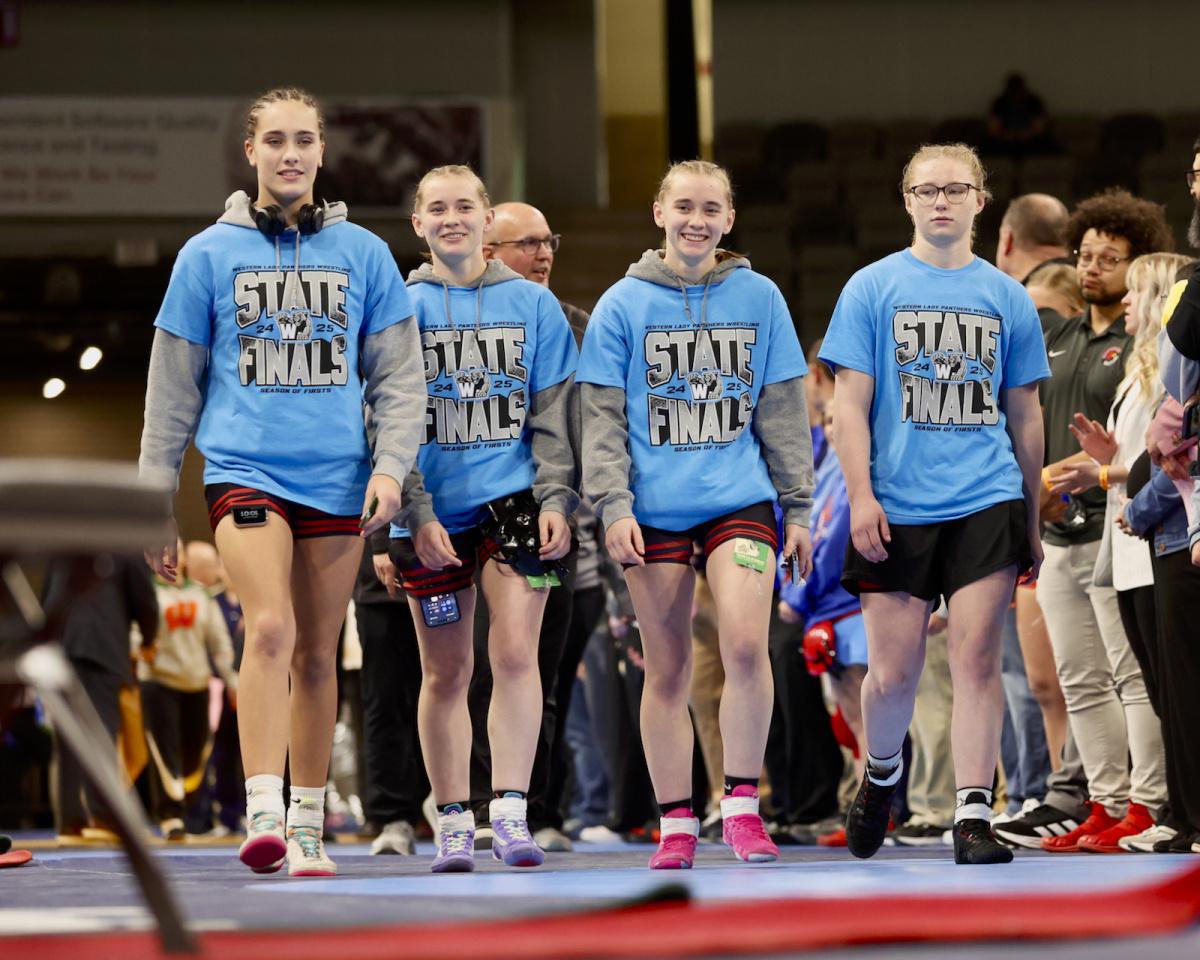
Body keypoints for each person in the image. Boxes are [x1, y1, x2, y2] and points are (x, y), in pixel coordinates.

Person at [139, 86, 427, 877]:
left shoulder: (364, 254)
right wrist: (152, 499)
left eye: (305, 140)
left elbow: (400, 381)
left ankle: (307, 828)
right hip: (244, 470)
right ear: (251, 153)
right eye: (275, 141)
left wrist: (392, 469)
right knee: (268, 628)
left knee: (319, 654)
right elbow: (172, 390)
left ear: (324, 153)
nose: (290, 154)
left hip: (338, 482)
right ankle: (262, 809)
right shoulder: (207, 256)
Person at [578, 159, 815, 870]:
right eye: (683, 206)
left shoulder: (761, 296)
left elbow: (782, 411)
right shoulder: (622, 304)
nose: (696, 220)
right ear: (659, 213)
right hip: (653, 511)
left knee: (746, 645)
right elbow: (601, 418)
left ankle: (742, 805)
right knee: (671, 664)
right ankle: (677, 818)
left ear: (729, 220)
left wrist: (798, 506)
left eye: (711, 208)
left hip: (738, 502)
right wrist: (613, 504)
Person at [819, 143, 1050, 865]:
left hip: (986, 496)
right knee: (893, 675)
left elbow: (1027, 415)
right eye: (926, 190)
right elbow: (846, 408)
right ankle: (881, 773)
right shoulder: (871, 287)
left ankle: (973, 816)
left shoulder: (1007, 296)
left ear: (982, 201)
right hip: (896, 502)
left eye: (956, 188)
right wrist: (860, 497)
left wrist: (1031, 516)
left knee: (977, 658)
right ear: (907, 200)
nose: (940, 200)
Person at [387, 165, 578, 873]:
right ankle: (452, 820)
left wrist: (556, 497)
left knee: (516, 657)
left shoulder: (534, 307)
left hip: (515, 505)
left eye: (464, 206)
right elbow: (385, 418)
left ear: (486, 218)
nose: (451, 218)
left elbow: (557, 415)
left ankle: (511, 812)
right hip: (430, 514)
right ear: (418, 223)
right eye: (436, 208)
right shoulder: (398, 307)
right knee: (446, 671)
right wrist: (413, 509)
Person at [1027, 190, 1173, 854]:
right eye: (1084, 255)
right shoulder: (1056, 336)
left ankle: (1148, 799)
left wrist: (1073, 478)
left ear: (1139, 266)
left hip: (1118, 524)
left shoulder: (1145, 345)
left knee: (1132, 671)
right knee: (1079, 679)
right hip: (1059, 531)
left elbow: (1147, 446)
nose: (1090, 269)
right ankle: (1107, 803)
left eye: (1109, 259)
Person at [44, 556, 158, 842]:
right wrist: (148, 638)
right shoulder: (124, 543)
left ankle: (71, 823)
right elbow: (144, 599)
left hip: (59, 643)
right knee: (101, 732)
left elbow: (46, 595)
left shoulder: (62, 543)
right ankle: (102, 817)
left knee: (68, 736)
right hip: (102, 646)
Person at [138, 542, 238, 841]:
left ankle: (194, 814)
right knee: (164, 751)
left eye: (177, 551)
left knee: (196, 753)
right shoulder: (147, 590)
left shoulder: (200, 594)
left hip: (196, 681)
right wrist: (139, 649)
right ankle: (170, 816)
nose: (172, 555)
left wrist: (232, 680)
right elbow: (134, 630)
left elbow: (219, 642)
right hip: (158, 681)